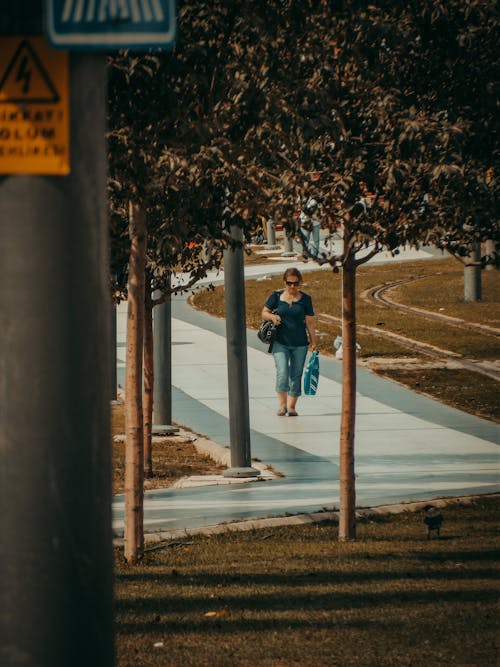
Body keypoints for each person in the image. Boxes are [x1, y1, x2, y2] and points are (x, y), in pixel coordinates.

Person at [261, 268, 317, 416]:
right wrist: (273, 317)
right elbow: (264, 312)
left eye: (296, 283)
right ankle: (282, 405)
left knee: (296, 374)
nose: (292, 287)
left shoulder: (306, 299)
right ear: (284, 282)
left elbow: (310, 322)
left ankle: (292, 407)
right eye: (289, 283)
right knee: (282, 372)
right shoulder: (276, 296)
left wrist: (314, 342)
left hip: (300, 343)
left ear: (300, 283)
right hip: (280, 342)